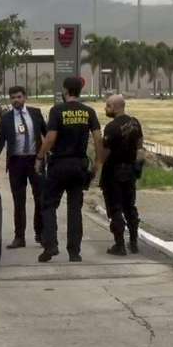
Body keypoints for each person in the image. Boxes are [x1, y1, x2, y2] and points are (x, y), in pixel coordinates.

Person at [36, 77, 104, 263]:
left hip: (59, 164)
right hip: (79, 165)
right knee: (75, 209)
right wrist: (98, 162)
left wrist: (40, 157)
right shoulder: (88, 112)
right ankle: (74, 252)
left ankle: (50, 245)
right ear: (80, 91)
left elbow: (50, 138)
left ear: (65, 90)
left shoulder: (57, 110)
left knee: (48, 204)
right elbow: (98, 138)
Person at [0, 86, 48, 249]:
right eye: (13, 97)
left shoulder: (36, 113)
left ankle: (40, 234)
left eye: (19, 97)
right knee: (18, 201)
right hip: (16, 163)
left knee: (40, 198)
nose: (16, 100)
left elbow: (47, 134)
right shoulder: (6, 118)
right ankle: (19, 237)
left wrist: (51, 155)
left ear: (25, 97)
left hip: (36, 162)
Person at [99, 94, 144, 256]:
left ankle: (119, 245)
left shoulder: (111, 128)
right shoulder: (135, 123)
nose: (106, 109)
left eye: (108, 106)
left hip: (113, 172)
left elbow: (104, 155)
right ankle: (133, 242)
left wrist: (96, 168)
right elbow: (140, 146)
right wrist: (138, 167)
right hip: (130, 171)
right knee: (130, 206)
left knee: (115, 208)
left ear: (116, 107)